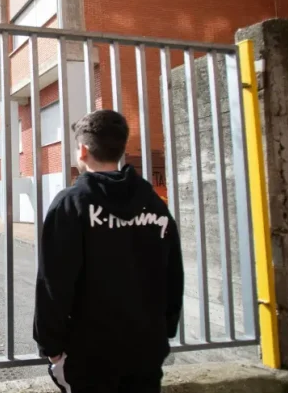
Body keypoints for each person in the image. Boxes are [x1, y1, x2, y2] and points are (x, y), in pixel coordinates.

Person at [33, 110, 184, 393]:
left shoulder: (71, 205)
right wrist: (164, 330)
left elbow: (53, 283)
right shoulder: (154, 203)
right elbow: (173, 273)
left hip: (90, 356)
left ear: (83, 149)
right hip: (146, 350)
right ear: (122, 148)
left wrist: (52, 349)